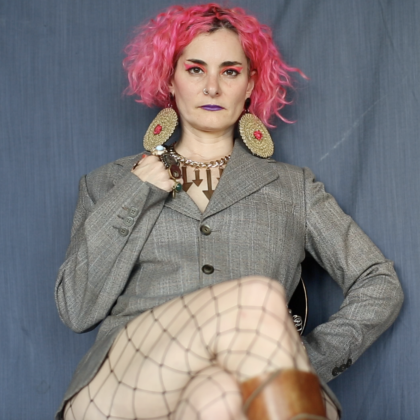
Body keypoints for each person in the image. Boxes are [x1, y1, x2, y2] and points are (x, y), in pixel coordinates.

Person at [55, 4, 403, 420]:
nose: (212, 88)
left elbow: (378, 281)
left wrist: (296, 358)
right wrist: (135, 191)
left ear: (251, 83)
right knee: (258, 298)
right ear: (169, 78)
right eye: (195, 70)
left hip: (232, 393)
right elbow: (76, 309)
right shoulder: (109, 184)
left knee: (220, 396)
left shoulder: (294, 189)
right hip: (129, 379)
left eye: (230, 72)